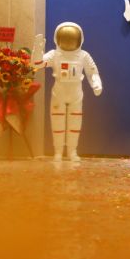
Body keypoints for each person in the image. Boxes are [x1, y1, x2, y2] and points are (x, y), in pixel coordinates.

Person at [33, 22, 102, 162]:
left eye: (72, 39)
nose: (68, 42)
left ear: (79, 39)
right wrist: (38, 50)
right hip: (59, 93)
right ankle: (58, 151)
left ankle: (72, 151)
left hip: (76, 94)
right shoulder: (54, 55)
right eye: (65, 39)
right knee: (57, 123)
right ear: (58, 39)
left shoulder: (83, 55)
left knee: (75, 123)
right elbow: (37, 64)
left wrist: (96, 84)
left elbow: (92, 72)